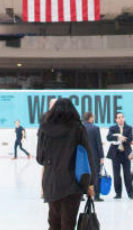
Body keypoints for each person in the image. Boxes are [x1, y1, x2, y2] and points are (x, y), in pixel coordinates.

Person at [36, 98, 96, 230]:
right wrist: (90, 183)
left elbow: (40, 158)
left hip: (51, 182)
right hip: (72, 183)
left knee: (53, 222)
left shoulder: (44, 129)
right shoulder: (78, 128)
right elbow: (87, 156)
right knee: (68, 223)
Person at [106, 111, 133, 199]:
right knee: (116, 175)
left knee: (127, 174)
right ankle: (118, 194)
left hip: (126, 154)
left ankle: (130, 193)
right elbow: (108, 137)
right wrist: (118, 137)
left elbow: (130, 139)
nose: (121, 119)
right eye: (119, 117)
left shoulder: (129, 128)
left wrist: (123, 139)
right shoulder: (112, 128)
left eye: (122, 117)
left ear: (124, 118)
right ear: (116, 119)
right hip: (115, 154)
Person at [82, 112, 104, 201]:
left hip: (82, 155)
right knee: (95, 175)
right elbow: (99, 144)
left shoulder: (80, 128)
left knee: (83, 175)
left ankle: (81, 196)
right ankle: (97, 196)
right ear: (91, 118)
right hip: (94, 156)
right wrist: (101, 157)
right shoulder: (95, 128)